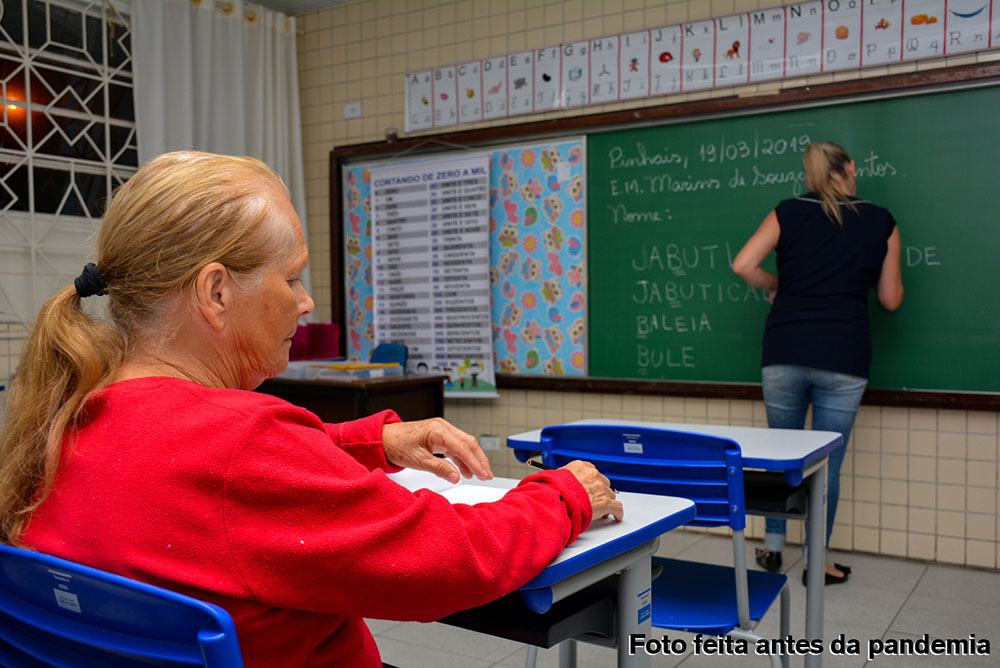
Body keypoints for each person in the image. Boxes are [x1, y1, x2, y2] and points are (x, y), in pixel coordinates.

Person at [0, 151, 623, 668]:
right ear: (216, 293)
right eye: (292, 278)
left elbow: (226, 478)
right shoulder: (243, 441)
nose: (306, 302)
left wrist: (372, 443)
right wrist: (564, 495)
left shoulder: (64, 415)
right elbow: (456, 559)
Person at [732, 141, 903, 585]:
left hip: (784, 351)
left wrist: (777, 285)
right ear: (850, 167)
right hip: (844, 355)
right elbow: (890, 299)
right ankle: (816, 562)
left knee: (780, 455)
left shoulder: (787, 212)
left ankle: (772, 546)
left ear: (809, 174)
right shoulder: (881, 220)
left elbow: (743, 264)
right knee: (827, 463)